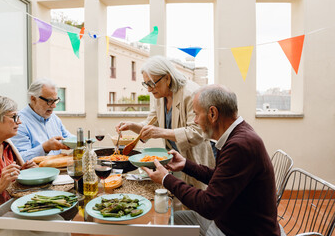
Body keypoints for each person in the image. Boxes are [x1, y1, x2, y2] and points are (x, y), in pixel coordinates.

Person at [142, 84, 281, 236]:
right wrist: (186, 165)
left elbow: (208, 206)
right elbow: (220, 177)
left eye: (196, 114)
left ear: (213, 113)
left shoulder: (240, 146)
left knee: (164, 226)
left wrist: (166, 179)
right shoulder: (235, 135)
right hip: (226, 221)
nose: (194, 121)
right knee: (168, 223)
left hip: (239, 231)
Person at [116, 55, 215, 190]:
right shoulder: (159, 95)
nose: (149, 89)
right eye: (146, 84)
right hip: (172, 158)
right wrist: (132, 126)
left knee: (195, 199)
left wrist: (160, 132)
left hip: (193, 159)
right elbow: (150, 124)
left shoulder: (191, 93)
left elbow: (197, 132)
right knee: (175, 197)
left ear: (167, 78)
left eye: (151, 83)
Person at [11, 78, 72, 161]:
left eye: (56, 100)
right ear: (33, 99)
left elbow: (68, 138)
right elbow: (19, 158)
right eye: (50, 101)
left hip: (58, 170)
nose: (54, 106)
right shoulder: (19, 122)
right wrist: (44, 148)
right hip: (36, 172)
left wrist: (84, 141)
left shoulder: (53, 117)